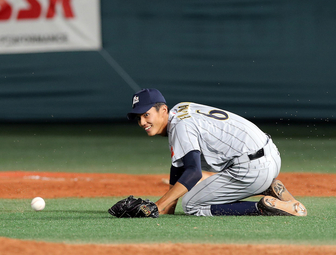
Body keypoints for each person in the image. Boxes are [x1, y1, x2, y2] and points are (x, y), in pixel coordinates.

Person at [126, 88, 307, 217]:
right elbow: (179, 163)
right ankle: (265, 186)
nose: (142, 122)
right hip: (268, 154)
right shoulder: (180, 110)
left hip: (252, 167)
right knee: (198, 163)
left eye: (146, 115)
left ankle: (264, 207)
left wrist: (158, 205)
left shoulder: (180, 126)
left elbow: (193, 173)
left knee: (192, 204)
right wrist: (168, 204)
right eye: (138, 117)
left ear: (163, 110)